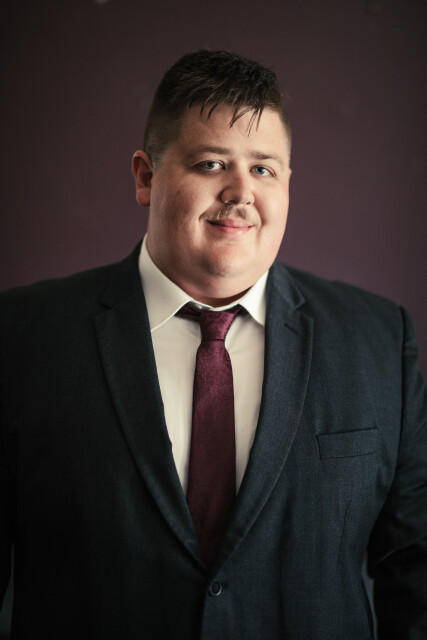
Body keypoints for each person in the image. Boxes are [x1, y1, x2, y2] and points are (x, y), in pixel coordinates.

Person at [0, 50, 426, 640]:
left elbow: (416, 569)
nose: (240, 192)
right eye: (211, 163)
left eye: (264, 169)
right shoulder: (20, 336)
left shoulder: (378, 340)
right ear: (146, 177)